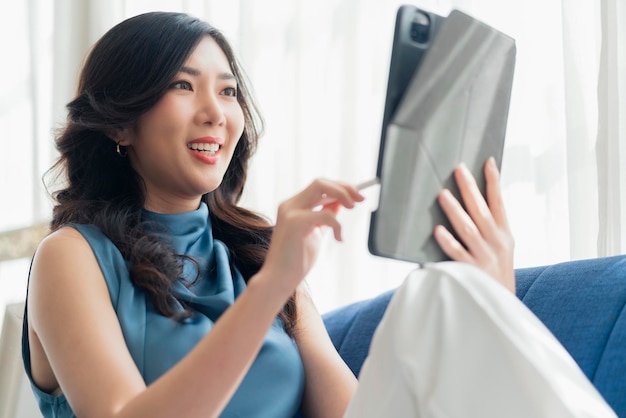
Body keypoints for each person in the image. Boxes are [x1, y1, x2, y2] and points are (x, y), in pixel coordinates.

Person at [22, 11, 616, 418]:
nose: (216, 112)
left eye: (228, 91)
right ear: (120, 123)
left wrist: (492, 307)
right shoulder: (71, 257)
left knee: (444, 298)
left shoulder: (254, 257)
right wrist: (274, 284)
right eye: (183, 86)